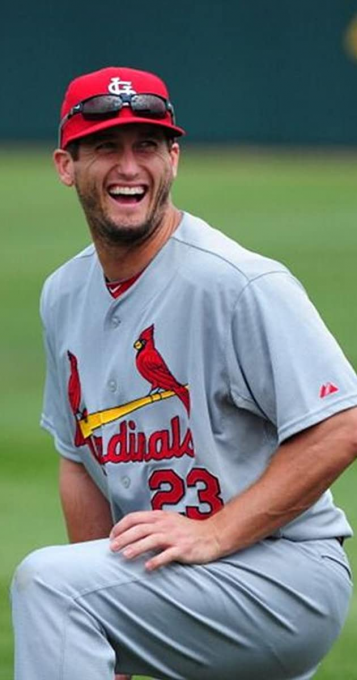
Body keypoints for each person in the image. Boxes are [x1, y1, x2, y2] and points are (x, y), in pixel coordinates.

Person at [11, 65, 357, 680]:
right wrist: (103, 630)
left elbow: (341, 423)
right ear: (66, 165)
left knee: (49, 585)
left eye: (147, 145)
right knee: (71, 588)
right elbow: (77, 460)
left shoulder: (236, 283)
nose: (128, 166)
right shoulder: (64, 294)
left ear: (174, 159)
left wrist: (220, 532)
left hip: (284, 568)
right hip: (184, 575)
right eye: (105, 147)